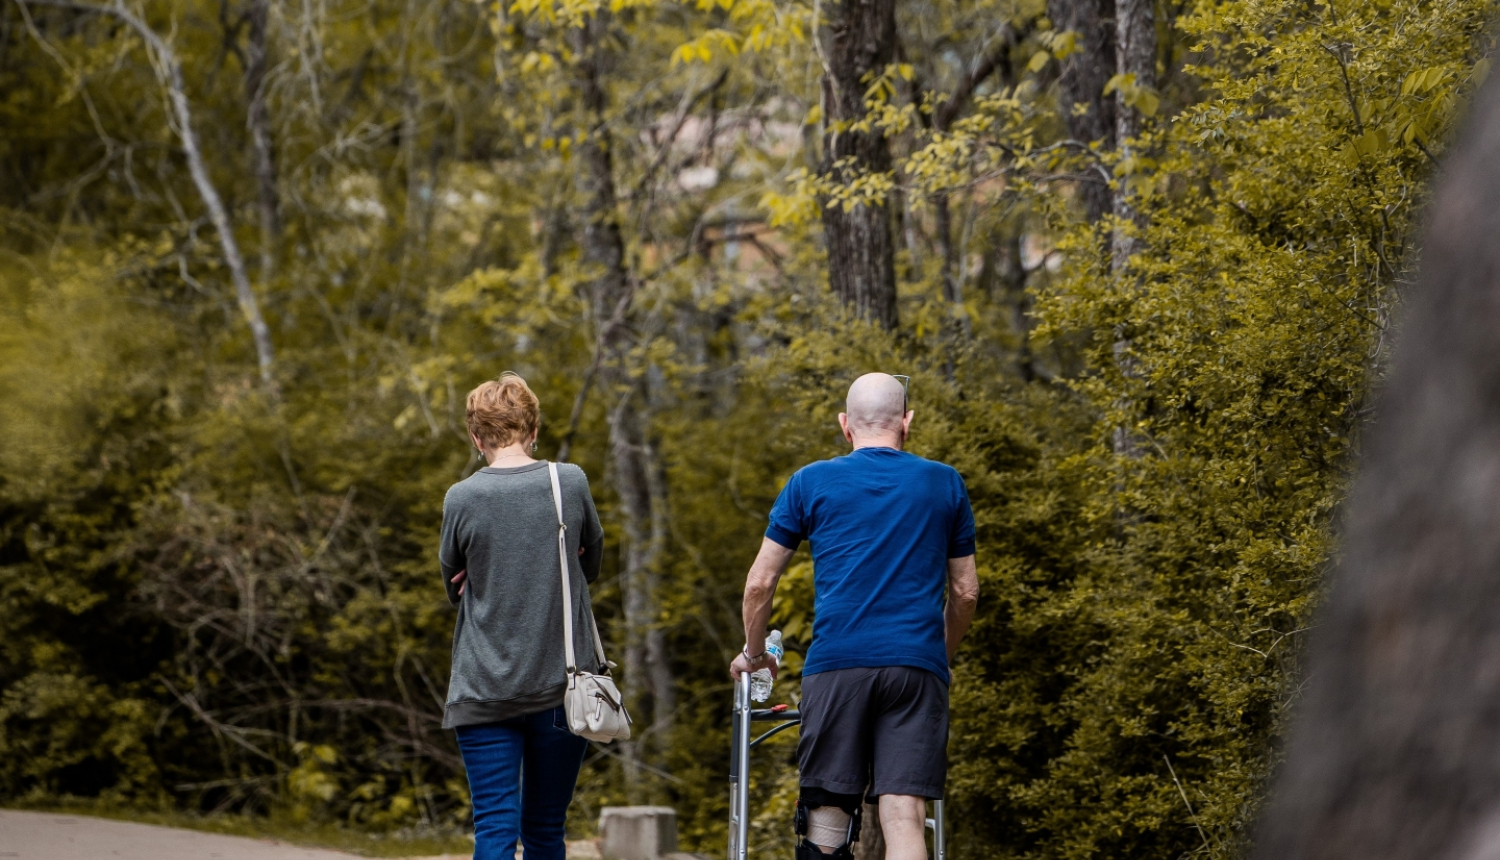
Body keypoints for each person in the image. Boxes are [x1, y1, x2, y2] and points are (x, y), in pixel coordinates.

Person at [729, 373, 980, 860]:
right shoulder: (944, 481)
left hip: (837, 665)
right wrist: (940, 657)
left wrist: (755, 655)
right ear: (906, 422)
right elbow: (966, 592)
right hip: (915, 667)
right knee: (904, 817)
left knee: (827, 817)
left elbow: (759, 583)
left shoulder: (809, 481)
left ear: (845, 424)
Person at [439, 372, 606, 860]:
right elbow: (590, 565)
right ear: (534, 430)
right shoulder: (569, 482)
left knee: (494, 828)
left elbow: (453, 585)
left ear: (476, 438)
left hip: (482, 688)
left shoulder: (461, 497)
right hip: (562, 686)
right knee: (545, 830)